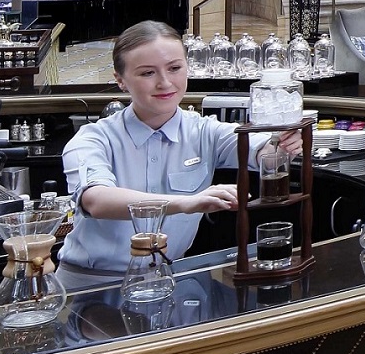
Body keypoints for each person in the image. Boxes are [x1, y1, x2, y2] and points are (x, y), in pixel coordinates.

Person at [60, 21, 300, 280]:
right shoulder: (94, 138)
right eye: (147, 73)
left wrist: (281, 147)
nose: (165, 83)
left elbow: (261, 151)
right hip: (90, 283)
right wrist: (187, 203)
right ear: (120, 80)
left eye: (174, 68)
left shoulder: (204, 131)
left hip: (168, 278)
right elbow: (96, 200)